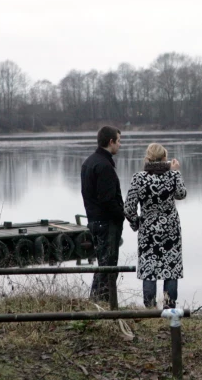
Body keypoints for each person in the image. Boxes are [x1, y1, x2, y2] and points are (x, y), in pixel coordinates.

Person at [124, 143, 187, 308]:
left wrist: (137, 223)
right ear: (164, 158)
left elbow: (129, 208)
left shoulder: (139, 178)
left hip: (148, 229)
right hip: (170, 229)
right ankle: (169, 307)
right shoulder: (172, 176)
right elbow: (181, 194)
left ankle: (150, 308)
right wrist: (175, 172)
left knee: (149, 267)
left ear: (148, 158)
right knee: (171, 267)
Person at [80, 126, 125, 302]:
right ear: (111, 141)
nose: (120, 145)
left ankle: (96, 303)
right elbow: (107, 200)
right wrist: (122, 215)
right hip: (106, 223)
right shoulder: (104, 166)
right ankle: (105, 305)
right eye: (119, 141)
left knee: (103, 265)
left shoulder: (89, 162)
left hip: (94, 221)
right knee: (108, 266)